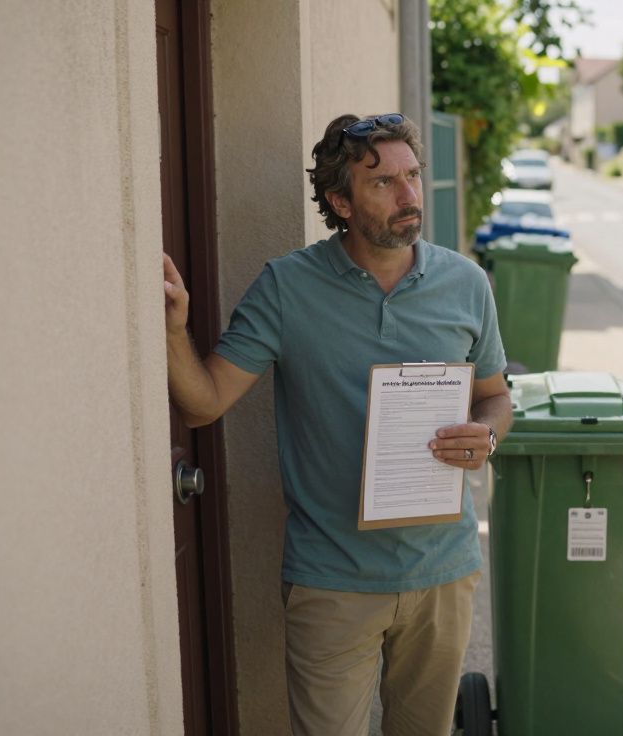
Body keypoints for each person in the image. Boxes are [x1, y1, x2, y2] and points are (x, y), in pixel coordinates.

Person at [162, 113, 512, 735]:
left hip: (443, 571)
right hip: (333, 579)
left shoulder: (465, 283)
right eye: (383, 183)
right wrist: (171, 330)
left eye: (412, 176)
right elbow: (204, 402)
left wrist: (485, 435)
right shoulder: (286, 286)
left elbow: (495, 398)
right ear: (340, 202)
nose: (408, 196)